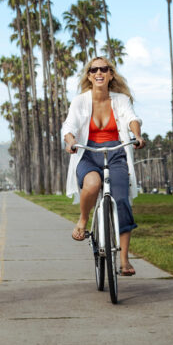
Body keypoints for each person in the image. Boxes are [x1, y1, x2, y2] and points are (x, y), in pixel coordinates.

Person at [62, 57, 145, 276]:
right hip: (88, 154)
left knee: (122, 201)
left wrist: (136, 135)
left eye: (104, 69)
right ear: (89, 75)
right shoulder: (80, 101)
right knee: (92, 183)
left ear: (110, 75)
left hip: (116, 154)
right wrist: (70, 141)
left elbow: (131, 118)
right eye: (94, 69)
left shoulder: (121, 99)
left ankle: (125, 261)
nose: (99, 72)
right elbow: (69, 126)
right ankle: (83, 220)